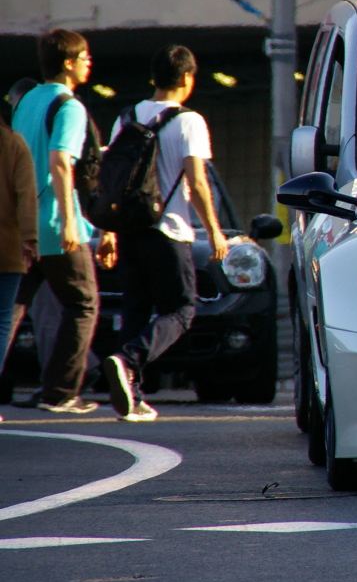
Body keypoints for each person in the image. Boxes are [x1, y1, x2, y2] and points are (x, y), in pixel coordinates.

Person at [102, 46, 228, 422]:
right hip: (168, 230)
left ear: (153, 78)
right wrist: (215, 232)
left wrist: (108, 232)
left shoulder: (126, 117)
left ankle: (132, 396)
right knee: (182, 309)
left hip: (129, 229)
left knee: (136, 310)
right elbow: (197, 181)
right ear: (188, 78)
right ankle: (127, 362)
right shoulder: (189, 121)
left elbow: (110, 183)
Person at [6, 30, 106, 414]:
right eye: (84, 57)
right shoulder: (70, 106)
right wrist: (68, 221)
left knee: (10, 310)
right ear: (68, 62)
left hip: (19, 224)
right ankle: (61, 392)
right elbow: (61, 162)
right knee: (83, 304)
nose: (88, 63)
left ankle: (57, 391)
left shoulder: (27, 100)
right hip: (53, 224)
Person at [0, 89, 38, 417]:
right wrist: (31, 239)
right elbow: (26, 195)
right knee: (1, 321)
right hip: (6, 248)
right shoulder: (13, 143)